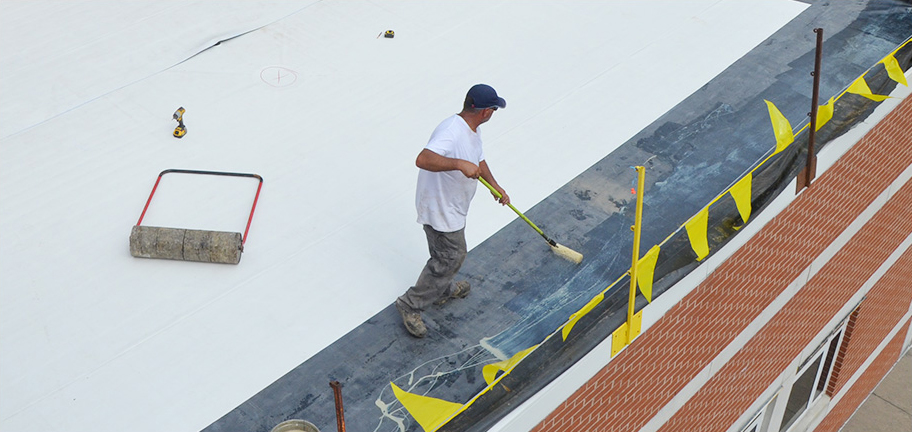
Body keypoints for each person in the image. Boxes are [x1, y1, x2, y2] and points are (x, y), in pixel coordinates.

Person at [396, 84, 510, 338]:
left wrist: (495, 185)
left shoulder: (472, 130)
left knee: (444, 257)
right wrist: (458, 164)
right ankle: (410, 304)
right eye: (493, 108)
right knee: (450, 257)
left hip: (454, 206)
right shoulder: (451, 130)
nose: (493, 113)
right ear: (484, 111)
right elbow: (423, 159)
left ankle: (441, 289)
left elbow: (478, 160)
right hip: (440, 209)